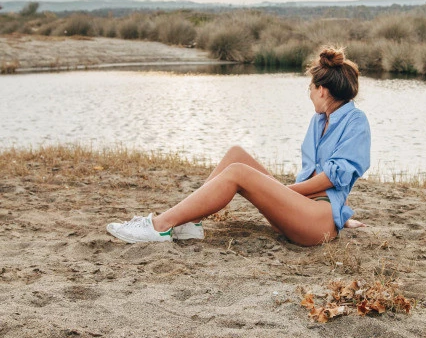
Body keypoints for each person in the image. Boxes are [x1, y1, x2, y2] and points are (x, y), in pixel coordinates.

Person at [106, 45, 371, 247]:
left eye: (310, 88)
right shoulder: (319, 120)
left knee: (238, 173)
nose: (309, 93)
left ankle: (159, 225)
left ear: (322, 90)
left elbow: (334, 177)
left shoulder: (355, 121)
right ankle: (190, 223)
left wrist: (285, 191)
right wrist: (286, 194)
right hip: (300, 208)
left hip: (315, 220)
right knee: (236, 155)